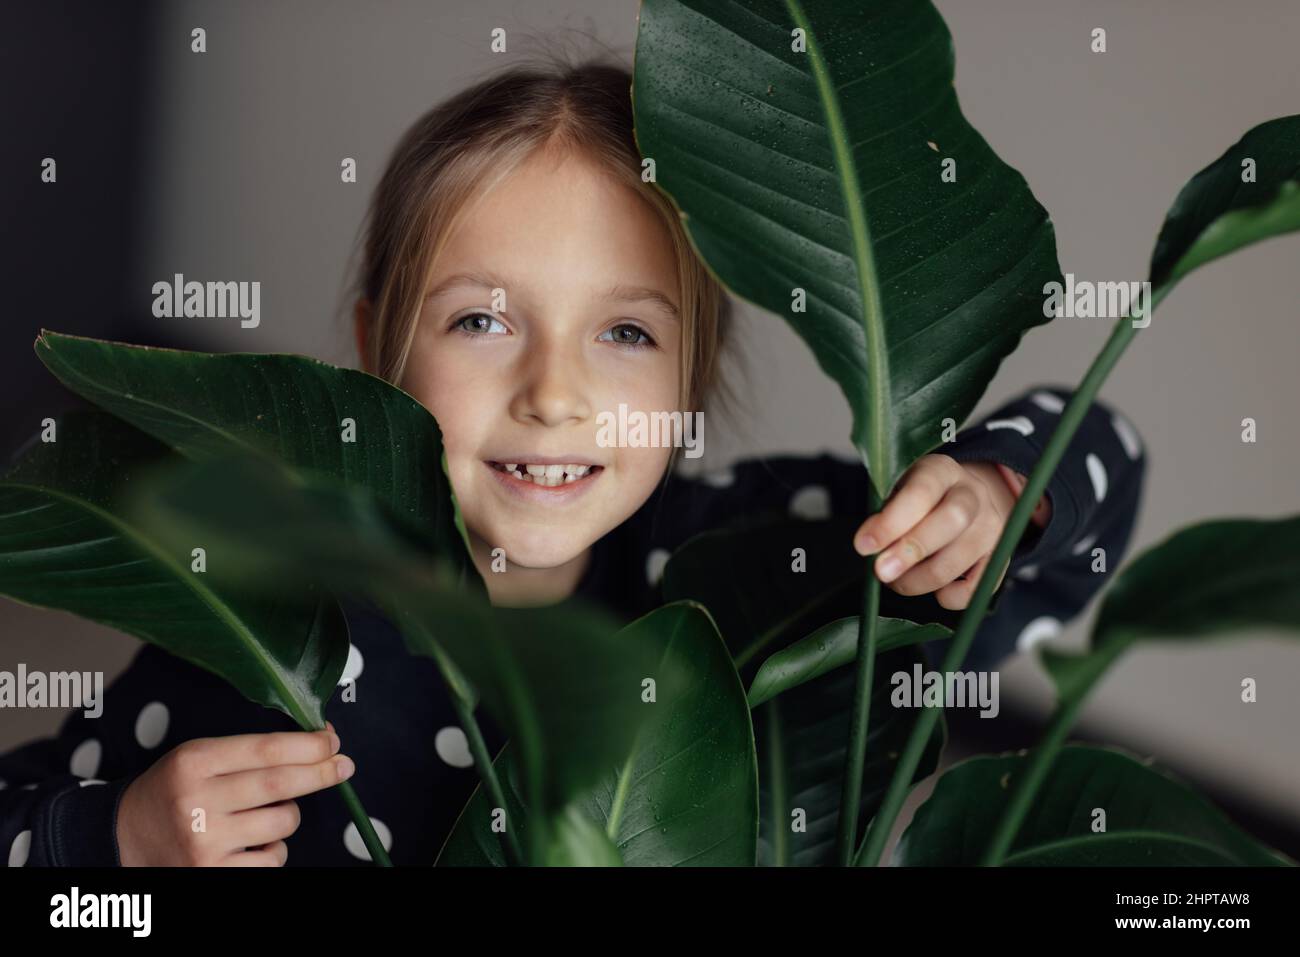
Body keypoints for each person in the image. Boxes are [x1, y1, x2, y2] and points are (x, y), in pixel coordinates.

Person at [0, 57, 1145, 867]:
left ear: (690, 380)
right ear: (371, 354)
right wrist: (116, 850)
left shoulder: (760, 565)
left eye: (626, 333)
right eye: (481, 322)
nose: (554, 395)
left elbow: (1094, 475)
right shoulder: (265, 641)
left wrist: (999, 494)